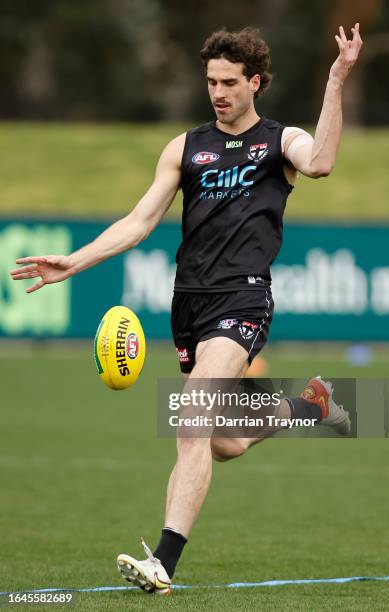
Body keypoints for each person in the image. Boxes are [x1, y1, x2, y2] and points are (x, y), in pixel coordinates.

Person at [10, 25, 363, 595]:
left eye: (229, 82)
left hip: (244, 295)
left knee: (191, 416)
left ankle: (163, 563)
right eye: (210, 82)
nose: (218, 92)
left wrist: (337, 78)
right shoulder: (185, 146)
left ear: (255, 82)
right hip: (188, 303)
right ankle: (311, 406)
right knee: (221, 441)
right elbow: (139, 221)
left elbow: (321, 162)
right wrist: (74, 262)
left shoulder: (279, 141)